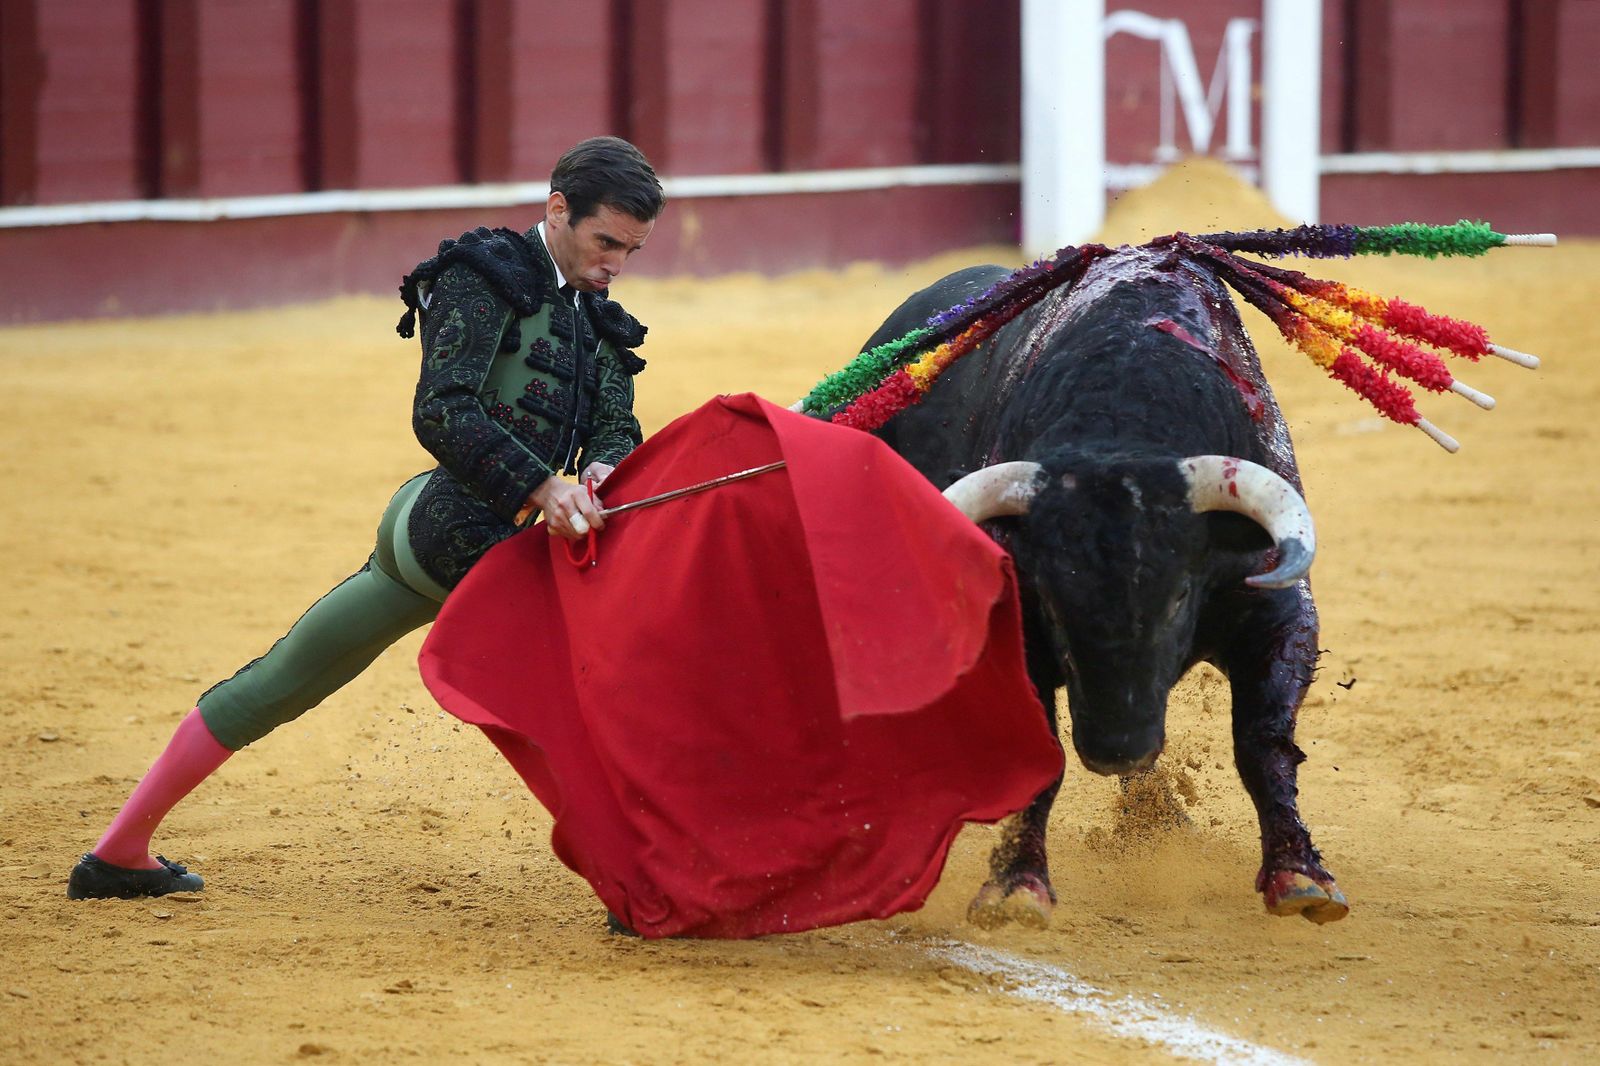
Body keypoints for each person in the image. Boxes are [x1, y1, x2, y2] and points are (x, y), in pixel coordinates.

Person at [67, 136, 666, 900]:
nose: (616, 264)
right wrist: (546, 488)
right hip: (457, 538)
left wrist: (607, 466)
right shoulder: (484, 275)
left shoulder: (598, 318)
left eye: (631, 249)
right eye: (606, 242)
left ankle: (119, 853)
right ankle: (634, 882)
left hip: (449, 539)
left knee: (287, 676)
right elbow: (442, 409)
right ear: (558, 210)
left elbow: (615, 421)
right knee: (571, 707)